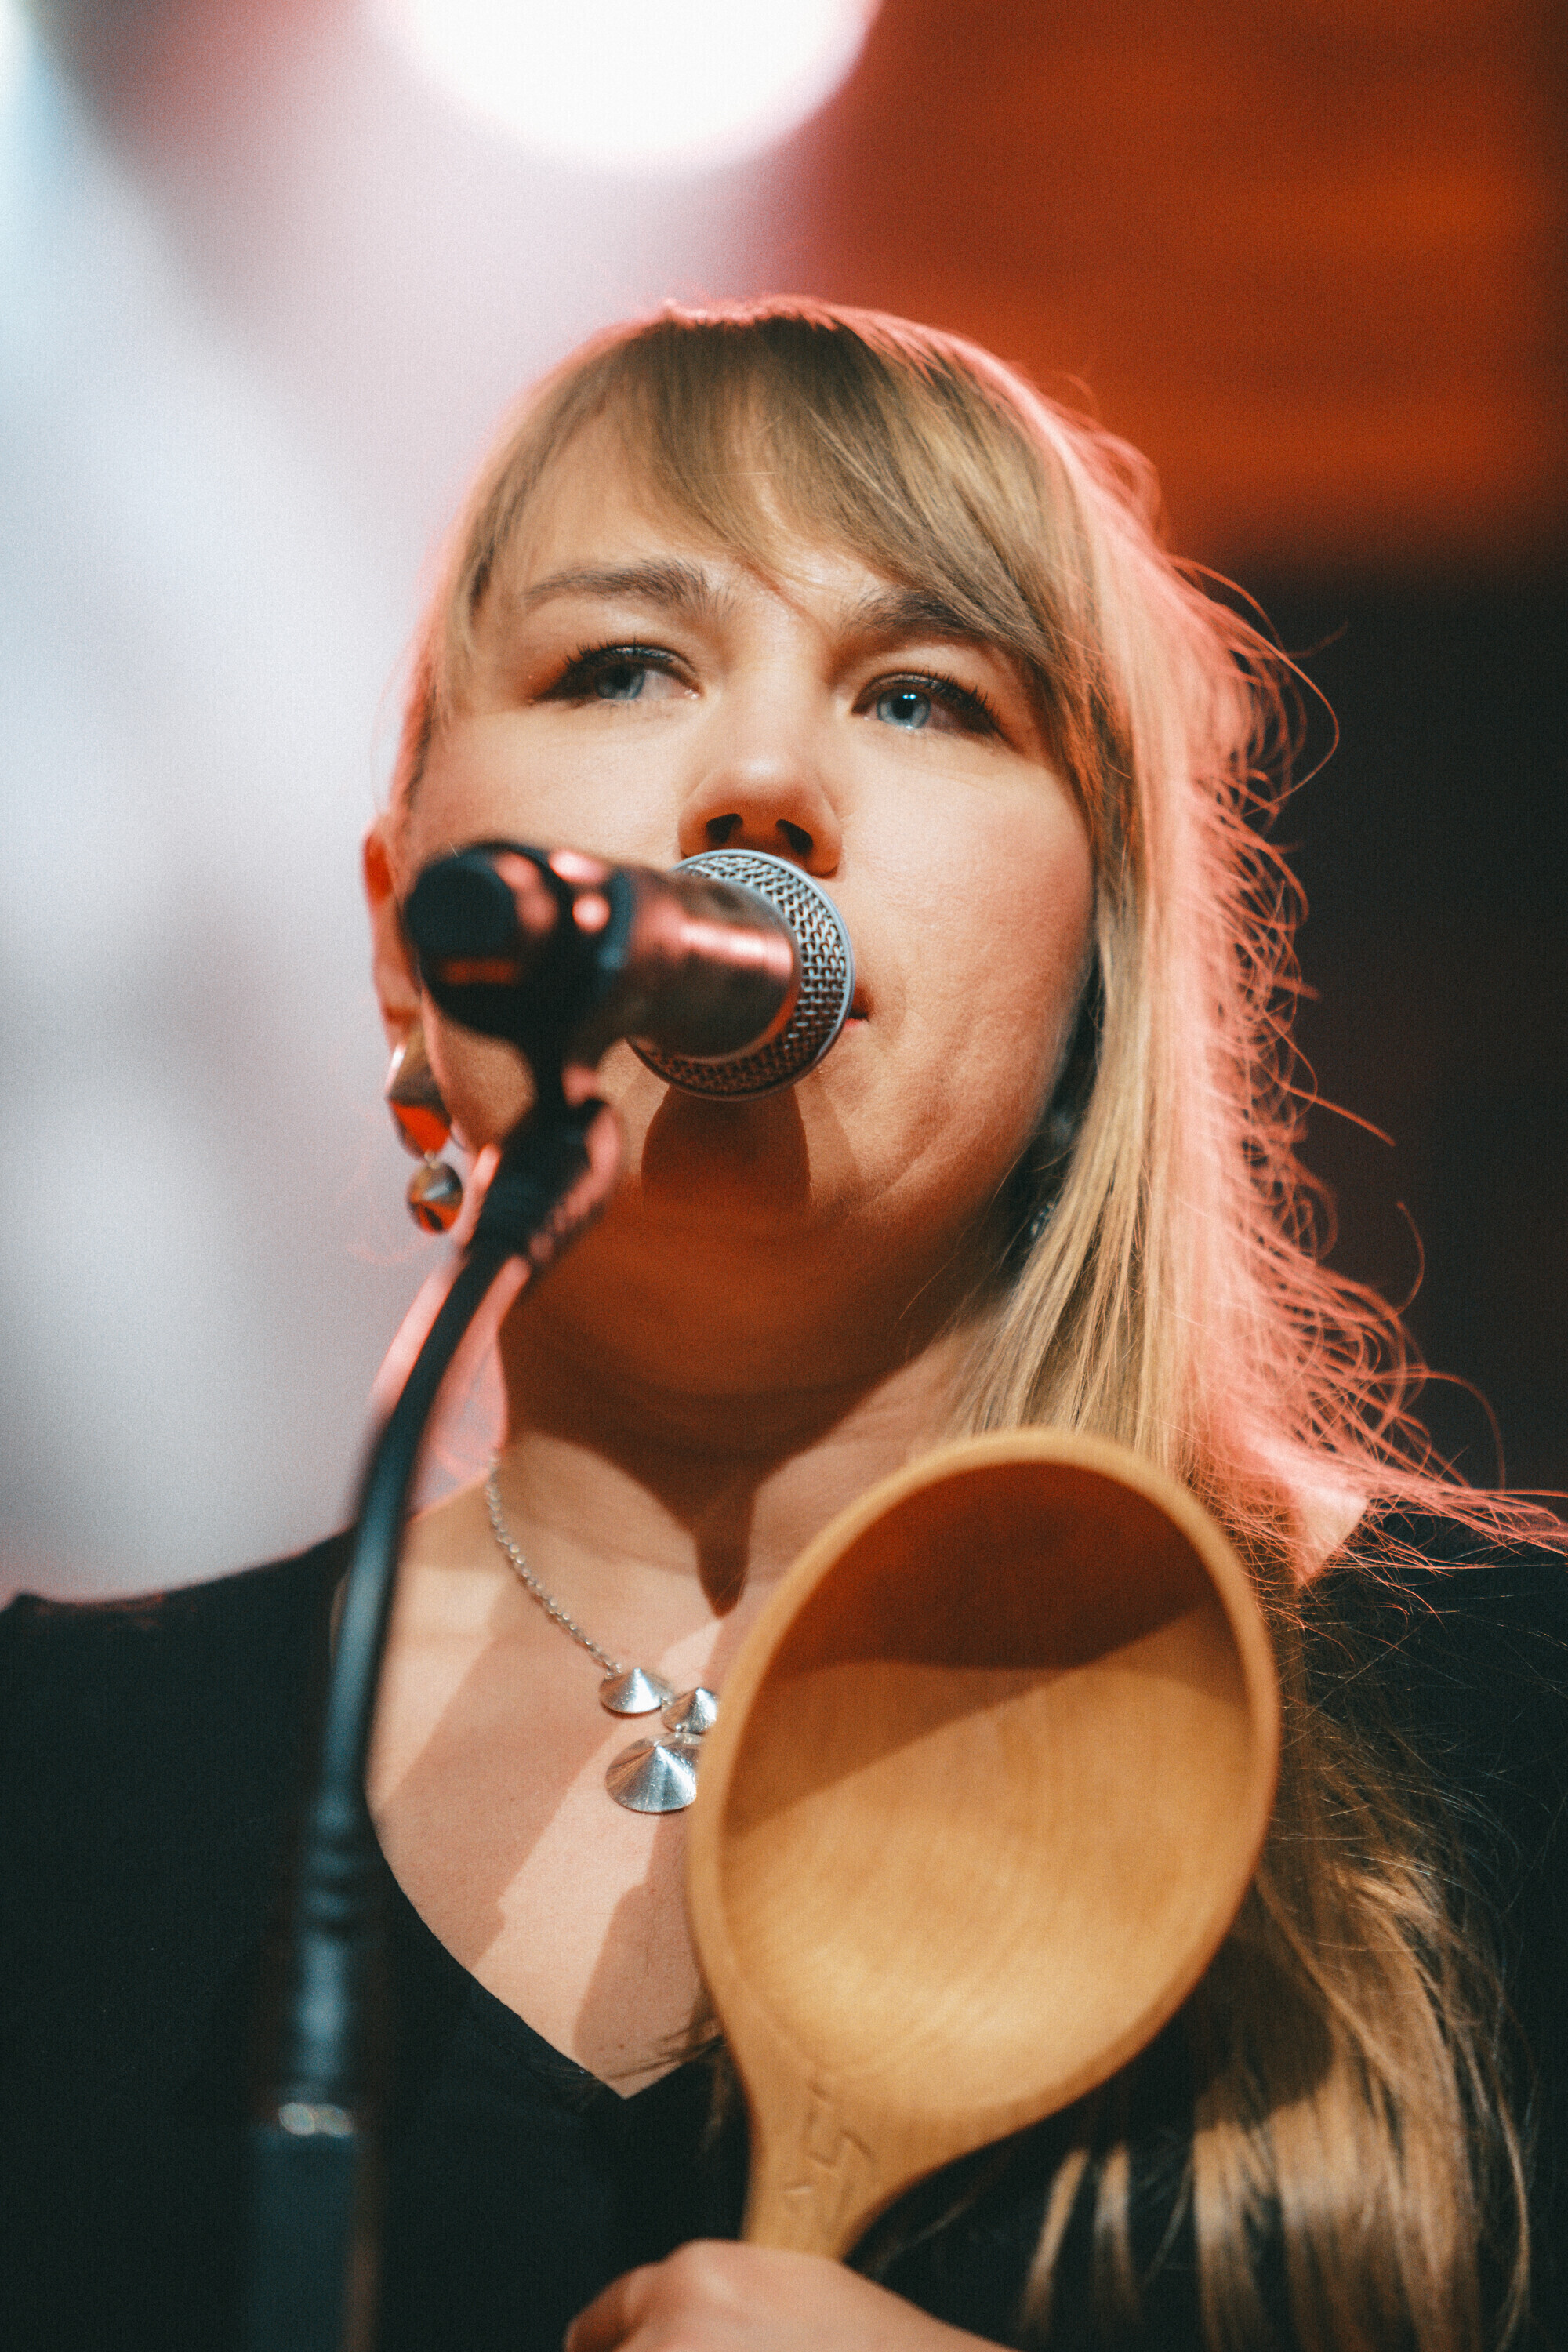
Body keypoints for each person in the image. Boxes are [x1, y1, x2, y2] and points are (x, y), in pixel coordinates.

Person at [2, 299, 1564, 2352]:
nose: (759, 780)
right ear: (409, 948)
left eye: (923, 695)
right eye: (619, 665)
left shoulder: (1513, 1716)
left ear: (1094, 969)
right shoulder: (52, 1788)